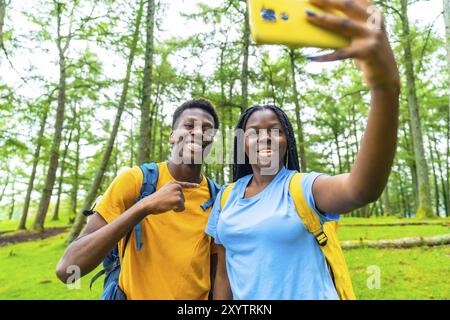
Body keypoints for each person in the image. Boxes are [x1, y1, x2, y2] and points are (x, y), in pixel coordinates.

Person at [206, 0, 400, 300]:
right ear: (241, 143)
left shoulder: (304, 188)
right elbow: (223, 273)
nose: (265, 138)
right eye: (254, 132)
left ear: (287, 142)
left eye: (276, 131)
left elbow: (361, 189)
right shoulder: (226, 197)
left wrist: (385, 89)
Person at [56, 98, 221, 300]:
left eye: (207, 129)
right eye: (188, 125)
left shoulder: (217, 199)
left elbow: (216, 274)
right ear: (171, 136)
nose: (198, 133)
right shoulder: (135, 181)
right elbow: (67, 269)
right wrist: (144, 206)